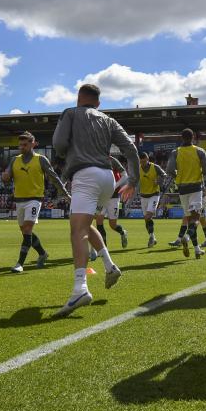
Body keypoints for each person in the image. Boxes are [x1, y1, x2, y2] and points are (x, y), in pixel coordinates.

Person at [52, 83, 139, 317]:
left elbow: (59, 145)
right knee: (87, 224)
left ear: (79, 98)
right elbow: (131, 149)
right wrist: (134, 180)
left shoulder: (70, 113)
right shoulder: (109, 120)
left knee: (77, 229)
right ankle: (110, 266)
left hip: (85, 175)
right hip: (107, 178)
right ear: (98, 103)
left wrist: (66, 152)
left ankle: (80, 288)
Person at [1, 132, 68, 273]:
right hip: (18, 200)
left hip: (34, 199)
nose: (22, 147)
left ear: (33, 144)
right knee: (26, 232)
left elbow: (54, 177)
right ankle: (43, 253)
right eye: (20, 145)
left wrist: (66, 194)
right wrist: (5, 177)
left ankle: (20, 263)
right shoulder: (14, 160)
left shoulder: (41, 159)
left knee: (27, 230)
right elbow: (6, 177)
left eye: (25, 145)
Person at [165, 128, 206, 259]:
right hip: (196, 187)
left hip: (182, 188)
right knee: (196, 218)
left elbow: (169, 169)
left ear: (181, 138)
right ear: (193, 138)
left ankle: (197, 249)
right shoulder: (199, 151)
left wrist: (178, 176)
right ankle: (186, 236)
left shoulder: (176, 152)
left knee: (189, 218)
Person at [95, 155, 129, 250]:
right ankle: (103, 248)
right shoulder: (94, 159)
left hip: (114, 197)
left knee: (112, 225)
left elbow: (125, 175)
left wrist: (114, 186)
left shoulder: (112, 160)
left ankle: (123, 232)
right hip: (102, 197)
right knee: (99, 220)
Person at [137, 152, 167, 247]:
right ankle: (152, 237)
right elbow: (134, 178)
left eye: (144, 161)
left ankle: (151, 237)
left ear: (147, 159)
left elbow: (164, 175)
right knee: (147, 219)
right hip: (143, 196)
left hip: (154, 195)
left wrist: (158, 181)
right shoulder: (138, 169)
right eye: (141, 162)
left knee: (148, 216)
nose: (143, 163)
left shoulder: (155, 167)